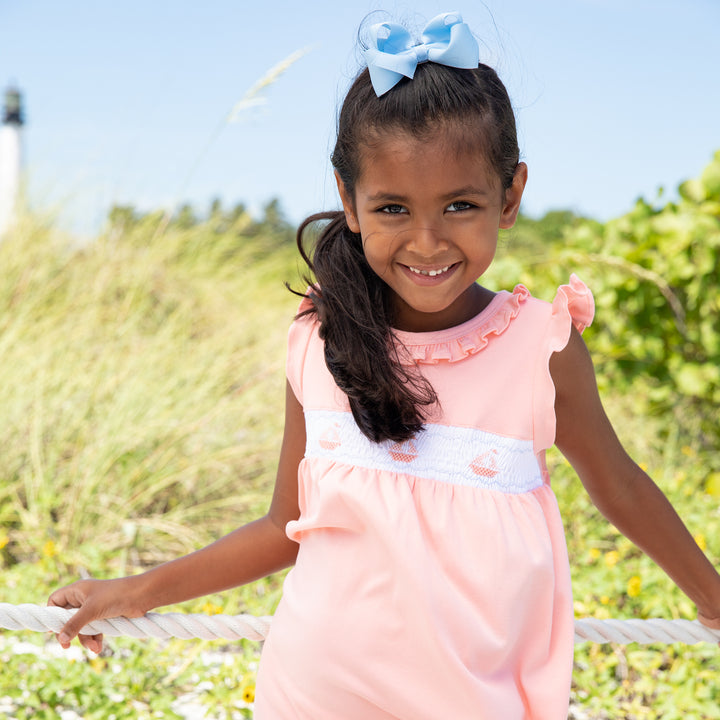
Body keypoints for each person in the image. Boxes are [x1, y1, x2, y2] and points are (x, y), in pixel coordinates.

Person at [48, 12, 720, 719]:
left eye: (461, 205)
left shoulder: (539, 347)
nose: (427, 241)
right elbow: (286, 524)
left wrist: (712, 596)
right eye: (393, 207)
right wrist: (135, 589)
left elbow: (619, 487)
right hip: (312, 697)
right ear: (349, 201)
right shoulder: (318, 339)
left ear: (512, 195)